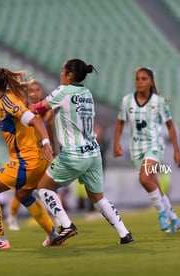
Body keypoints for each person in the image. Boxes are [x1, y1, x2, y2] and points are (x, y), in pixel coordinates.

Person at [34, 58, 134, 245]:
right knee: (98, 198)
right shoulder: (87, 93)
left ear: (70, 75)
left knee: (44, 188)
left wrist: (21, 107)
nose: (60, 74)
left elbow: (37, 109)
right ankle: (125, 234)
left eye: (63, 71)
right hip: (93, 152)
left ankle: (65, 224)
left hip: (74, 154)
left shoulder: (62, 91)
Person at [0, 66, 57, 250]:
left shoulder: (8, 103)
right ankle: (53, 235)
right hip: (37, 160)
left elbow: (36, 120)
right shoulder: (9, 99)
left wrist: (47, 143)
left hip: (26, 162)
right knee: (22, 194)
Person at [113, 67, 180, 233]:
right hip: (136, 148)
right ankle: (174, 219)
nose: (140, 82)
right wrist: (117, 144)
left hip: (154, 146)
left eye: (144, 79)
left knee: (144, 179)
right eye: (137, 78)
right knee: (155, 185)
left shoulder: (158, 102)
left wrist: (176, 150)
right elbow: (119, 122)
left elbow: (170, 125)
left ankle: (161, 213)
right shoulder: (127, 101)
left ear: (151, 82)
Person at [5, 80, 58, 231]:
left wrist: (53, 152)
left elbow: (51, 134)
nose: (35, 93)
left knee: (50, 187)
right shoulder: (24, 110)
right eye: (31, 90)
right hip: (27, 155)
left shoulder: (48, 112)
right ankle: (12, 217)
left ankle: (59, 220)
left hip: (44, 154)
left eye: (38, 90)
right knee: (23, 189)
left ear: (42, 92)